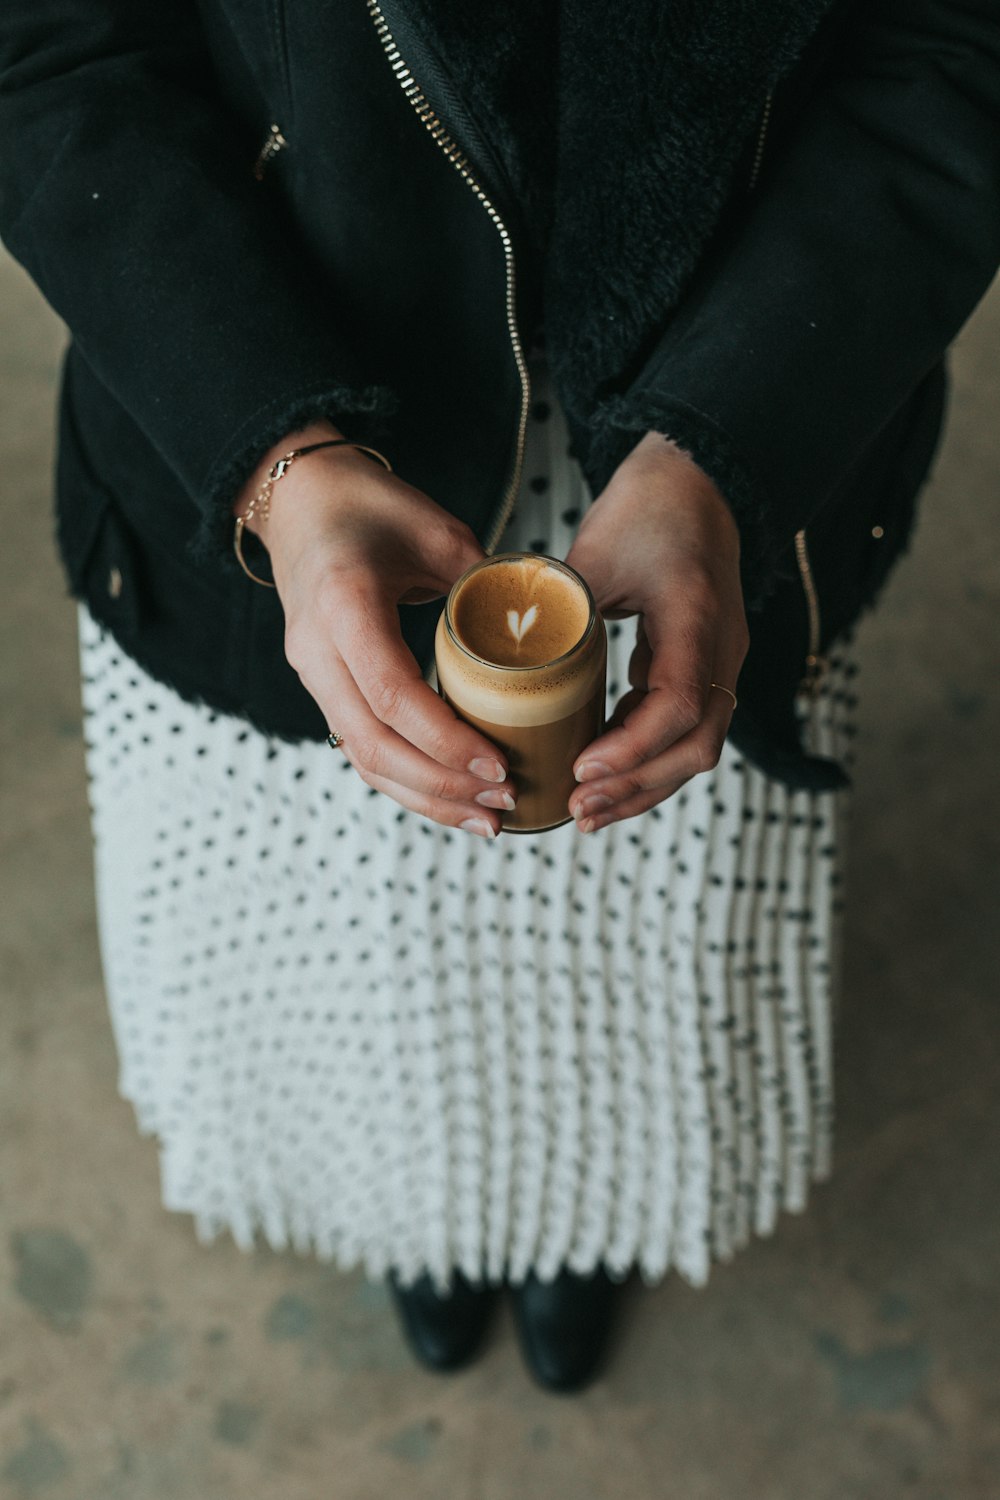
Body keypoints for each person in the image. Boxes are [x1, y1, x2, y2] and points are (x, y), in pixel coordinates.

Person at [1, 0, 997, 1393]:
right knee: (345, 935)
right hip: (280, 436)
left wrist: (730, 448)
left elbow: (952, 48)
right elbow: (54, 45)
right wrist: (275, 457)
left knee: (643, 936)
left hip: (722, 435)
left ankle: (584, 1209)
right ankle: (426, 1213)